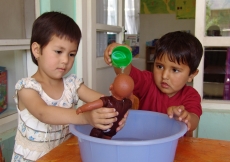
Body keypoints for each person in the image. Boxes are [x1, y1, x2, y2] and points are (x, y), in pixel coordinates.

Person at [11, 11, 126, 162]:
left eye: (71, 54)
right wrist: (86, 117)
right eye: (58, 52)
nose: (65, 60)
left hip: (63, 156)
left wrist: (117, 108)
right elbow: (43, 113)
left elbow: (104, 100)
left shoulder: (72, 84)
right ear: (37, 50)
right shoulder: (27, 88)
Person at [104, 31, 203, 134]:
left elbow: (194, 120)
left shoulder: (191, 95)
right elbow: (126, 75)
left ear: (191, 75)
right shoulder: (147, 82)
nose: (164, 76)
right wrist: (119, 54)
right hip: (144, 143)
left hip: (175, 147)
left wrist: (185, 116)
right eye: (159, 66)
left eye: (175, 70)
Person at [76, 74, 134, 139]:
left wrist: (81, 109)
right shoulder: (127, 103)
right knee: (107, 139)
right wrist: (130, 94)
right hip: (113, 130)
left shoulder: (107, 100)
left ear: (111, 87)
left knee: (94, 136)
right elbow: (132, 100)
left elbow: (91, 105)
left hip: (100, 128)